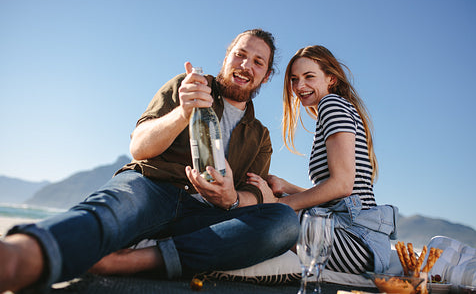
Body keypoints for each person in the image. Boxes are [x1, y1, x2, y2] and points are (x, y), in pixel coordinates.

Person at [0, 29, 300, 293]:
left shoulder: (260, 136)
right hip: (152, 187)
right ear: (226, 57)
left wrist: (232, 198)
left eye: (258, 62)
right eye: (240, 55)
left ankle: (134, 260)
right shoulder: (186, 86)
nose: (246, 65)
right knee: (111, 210)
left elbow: (257, 195)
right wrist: (183, 112)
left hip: (204, 218)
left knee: (284, 222)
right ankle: (20, 258)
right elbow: (139, 147)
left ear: (267, 75)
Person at [246, 45, 397, 274]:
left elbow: (342, 186)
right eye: (294, 79)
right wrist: (288, 188)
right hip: (358, 237)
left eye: (309, 77)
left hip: (356, 242)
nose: (299, 86)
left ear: (331, 79)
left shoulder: (331, 105)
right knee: (265, 211)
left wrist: (280, 205)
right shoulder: (337, 109)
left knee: (262, 215)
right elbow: (336, 195)